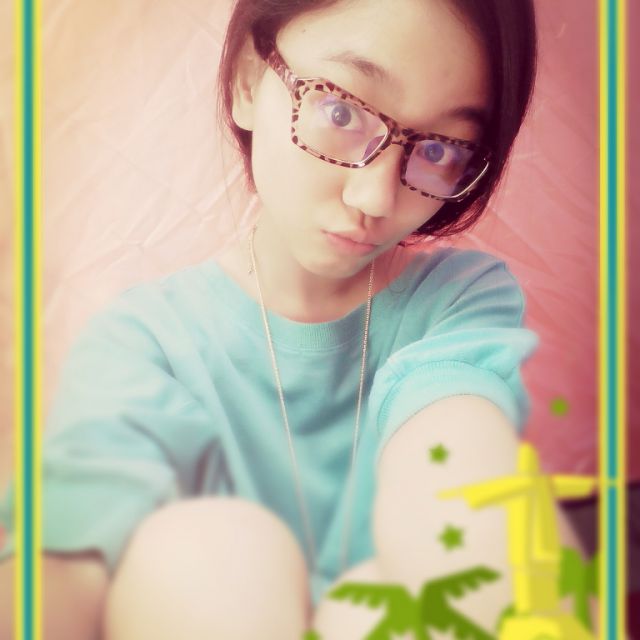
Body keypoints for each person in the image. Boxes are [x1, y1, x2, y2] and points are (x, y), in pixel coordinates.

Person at [0, 0, 583, 638]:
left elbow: (461, 458)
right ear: (248, 81)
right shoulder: (148, 343)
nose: (374, 197)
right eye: (342, 111)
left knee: (378, 610)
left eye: (440, 149)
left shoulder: (454, 302)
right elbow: (67, 557)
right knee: (207, 551)